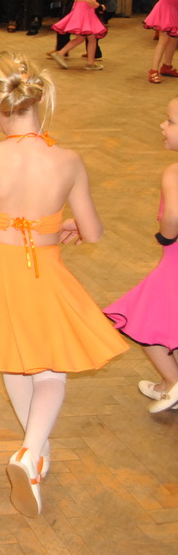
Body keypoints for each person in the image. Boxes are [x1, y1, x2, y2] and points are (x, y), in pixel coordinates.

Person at [0, 51, 125, 517]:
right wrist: (62, 225)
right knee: (51, 374)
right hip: (41, 271)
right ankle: (31, 451)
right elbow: (93, 232)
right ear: (39, 98)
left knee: (15, 362)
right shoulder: (68, 160)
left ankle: (35, 453)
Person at [104, 95, 178, 411]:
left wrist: (166, 236)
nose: (162, 125)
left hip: (174, 263)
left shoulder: (174, 172)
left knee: (143, 319)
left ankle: (173, 384)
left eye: (170, 121)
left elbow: (173, 215)